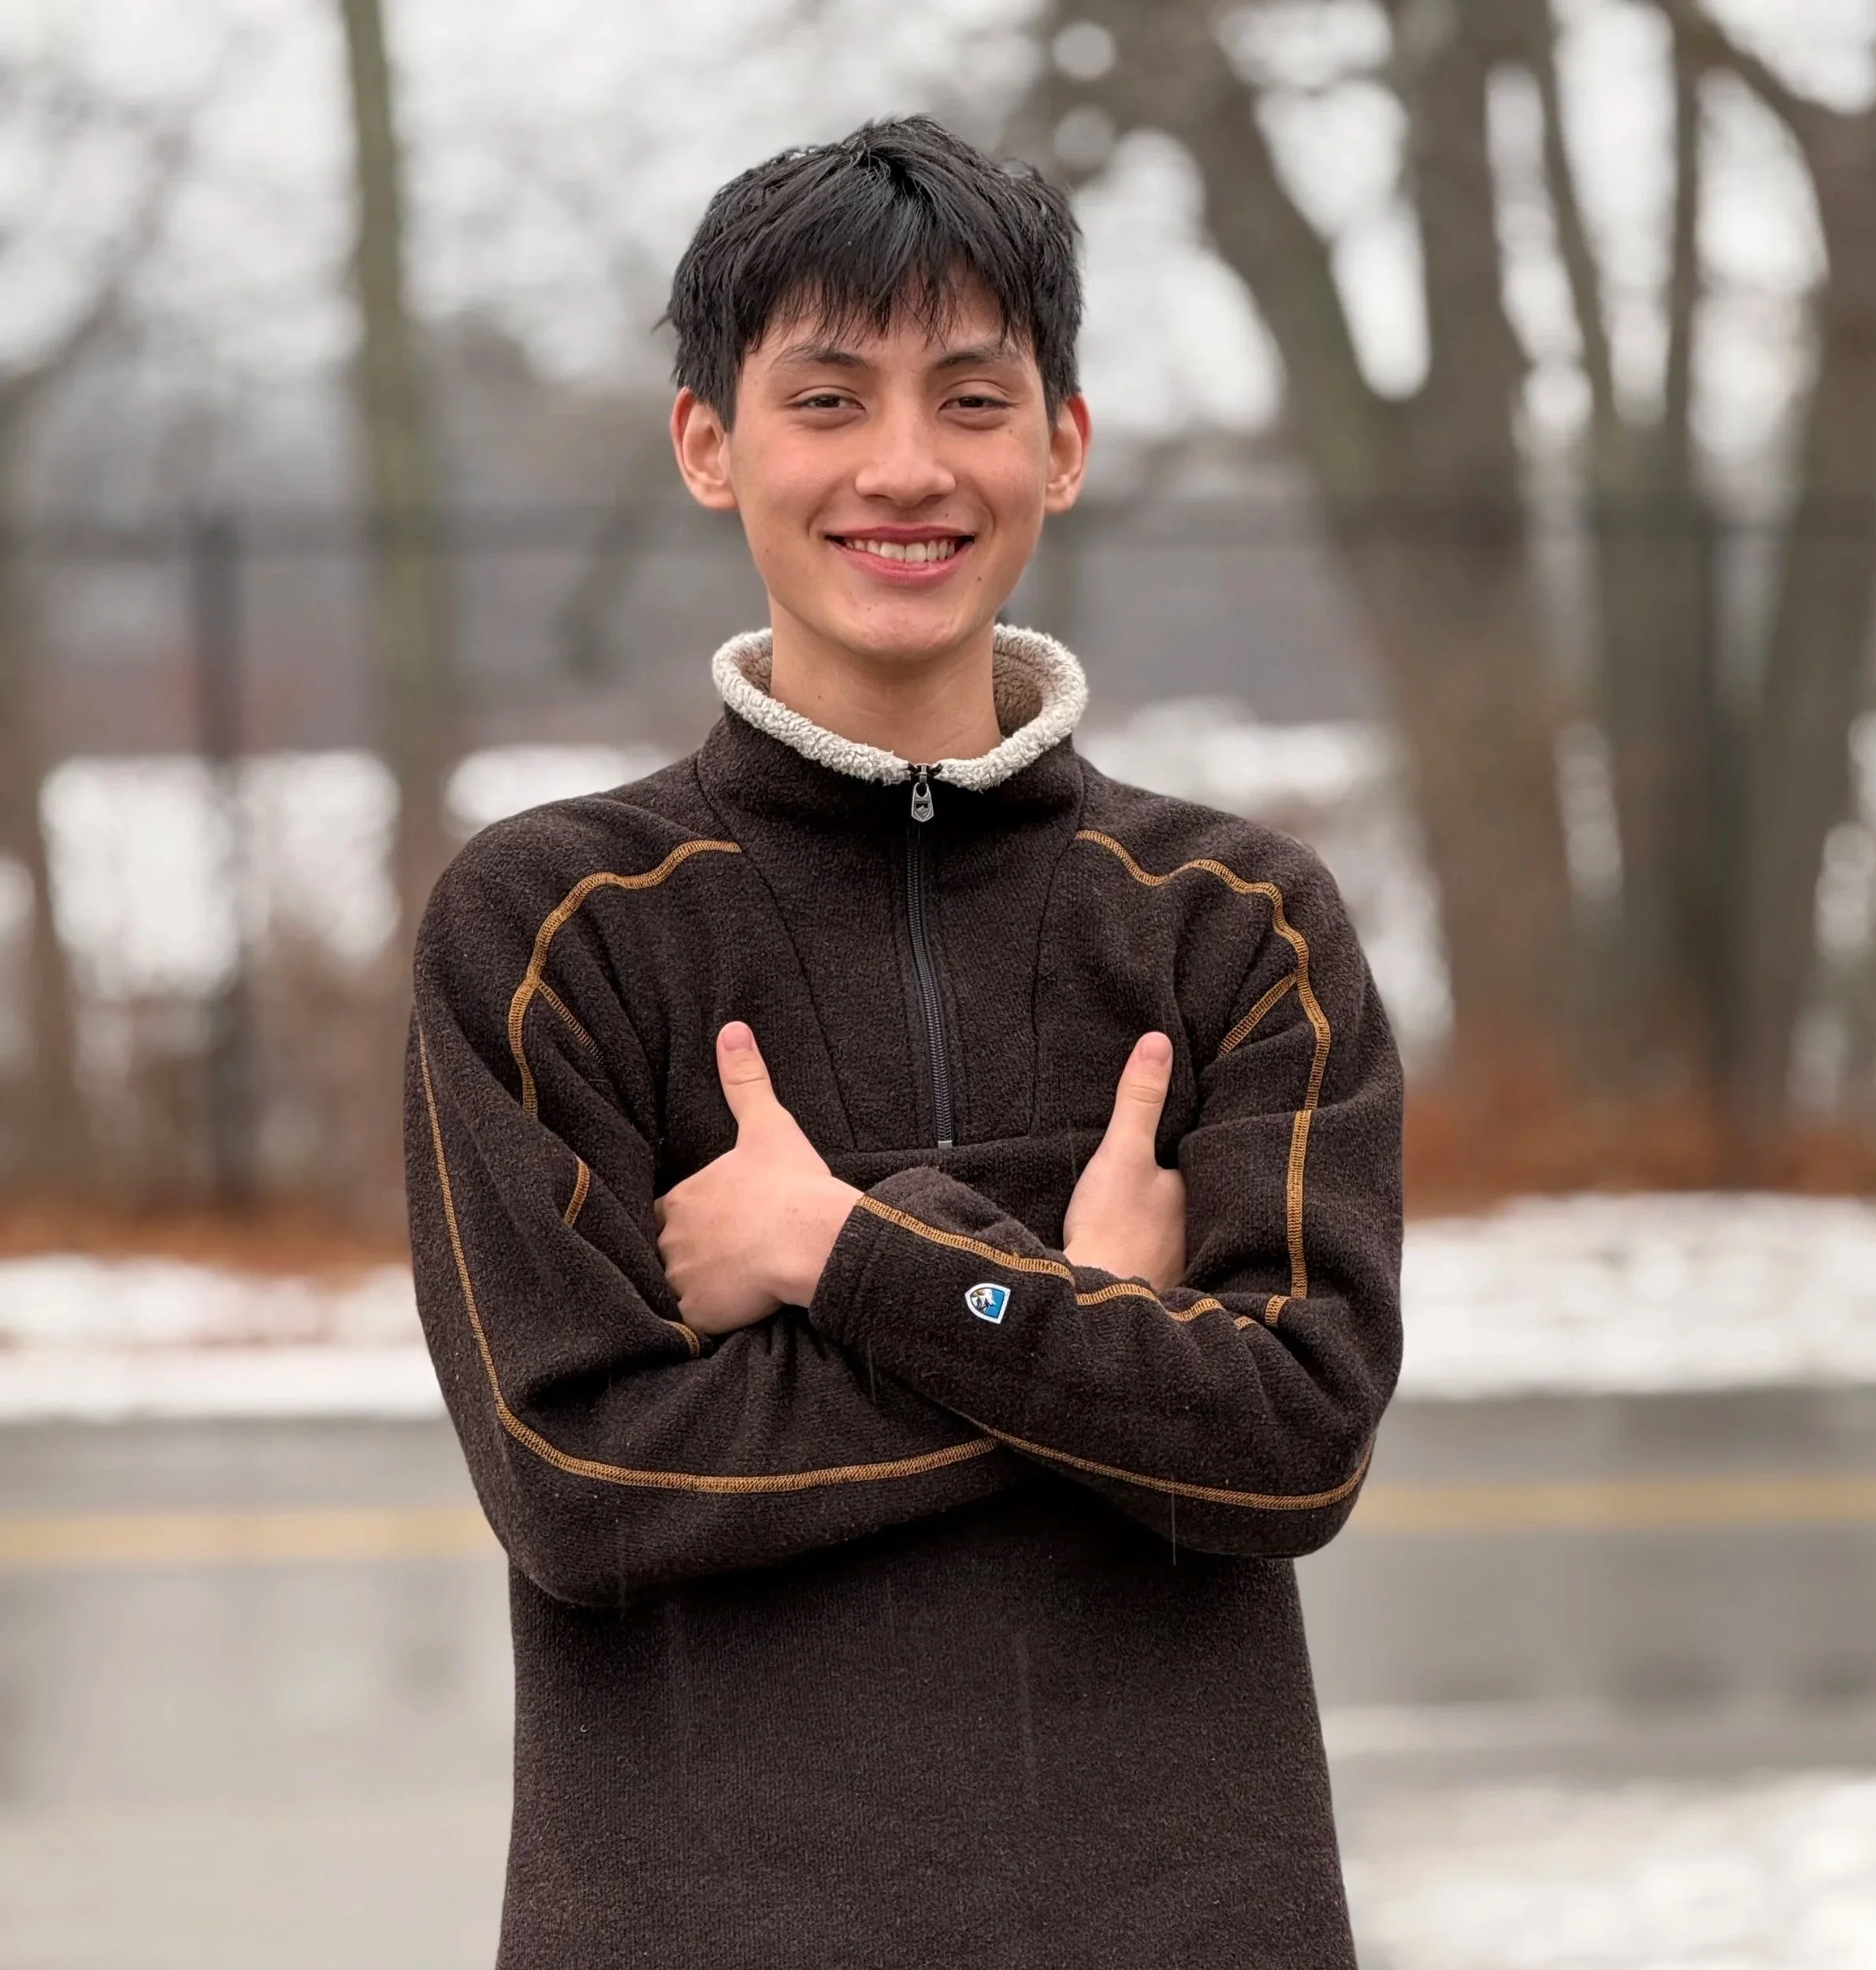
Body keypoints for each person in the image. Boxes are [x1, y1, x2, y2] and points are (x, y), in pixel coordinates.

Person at [406, 113, 1402, 1970]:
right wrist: (1079, 1313)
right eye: (825, 398)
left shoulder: (1237, 922)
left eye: (967, 398)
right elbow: (589, 1482)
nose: (901, 467)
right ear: (708, 444)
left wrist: (841, 1253)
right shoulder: (549, 926)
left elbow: (1293, 1439)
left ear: (1062, 445)